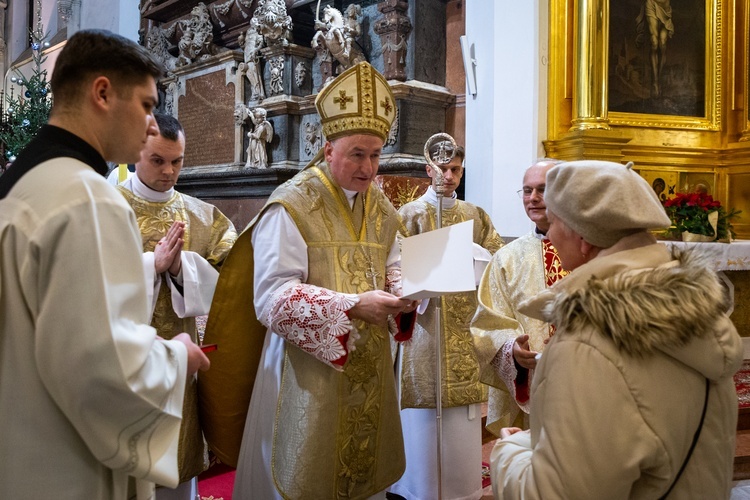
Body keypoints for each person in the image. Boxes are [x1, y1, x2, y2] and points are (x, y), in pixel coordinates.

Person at [0, 29, 210, 499]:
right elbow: (99, 368)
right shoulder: (89, 199)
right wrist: (176, 359)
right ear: (102, 93)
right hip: (66, 464)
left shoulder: (24, 185)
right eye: (147, 105)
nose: (153, 126)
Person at [200, 61, 417, 499]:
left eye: (376, 154)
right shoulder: (291, 205)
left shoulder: (381, 207)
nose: (370, 168)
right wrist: (351, 307)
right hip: (304, 373)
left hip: (369, 370)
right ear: (327, 146)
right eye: (357, 153)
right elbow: (271, 298)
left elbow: (397, 261)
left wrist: (403, 289)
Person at [490, 160, 743, 498]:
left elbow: (558, 494)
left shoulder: (588, 347)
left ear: (583, 238)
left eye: (555, 223)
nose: (548, 234)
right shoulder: (705, 319)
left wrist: (509, 453)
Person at [117, 113, 237, 499]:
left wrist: (183, 268)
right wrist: (152, 265)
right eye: (158, 160)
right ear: (136, 152)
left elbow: (231, 279)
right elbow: (88, 280)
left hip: (181, 362)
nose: (169, 171)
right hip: (123, 361)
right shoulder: (107, 208)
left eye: (177, 161)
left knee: (177, 464)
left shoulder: (204, 216)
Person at [390, 141, 504, 500]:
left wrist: (471, 255)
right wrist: (431, 272)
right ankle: (417, 487)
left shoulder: (476, 215)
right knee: (423, 413)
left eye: (456, 169)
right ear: (428, 171)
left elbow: (497, 262)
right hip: (426, 327)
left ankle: (463, 489)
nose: (449, 176)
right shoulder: (408, 215)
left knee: (463, 417)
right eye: (442, 170)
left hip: (465, 323)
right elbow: (392, 267)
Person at [471, 159, 567, 436]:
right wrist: (512, 349)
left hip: (582, 377)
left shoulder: (588, 247)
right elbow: (488, 322)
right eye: (527, 191)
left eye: (542, 190)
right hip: (532, 381)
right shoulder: (507, 257)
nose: (533, 199)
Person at [636, 0, 673, 97]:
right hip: (651, 3)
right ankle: (655, 83)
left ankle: (659, 79)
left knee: (663, 43)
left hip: (665, 7)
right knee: (654, 42)